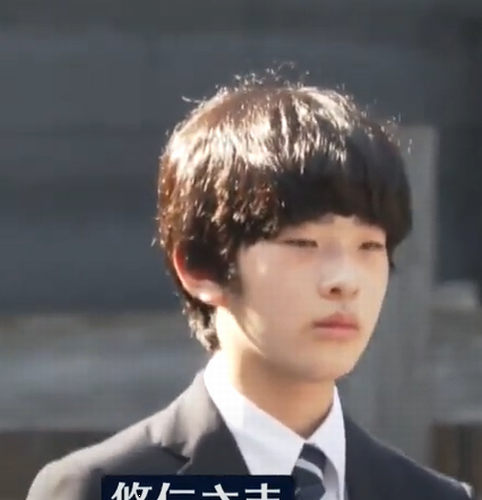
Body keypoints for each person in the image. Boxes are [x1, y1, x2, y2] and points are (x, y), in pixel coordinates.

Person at [26, 73, 474, 500]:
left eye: (369, 247)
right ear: (201, 267)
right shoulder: (102, 488)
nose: (344, 281)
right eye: (303, 243)